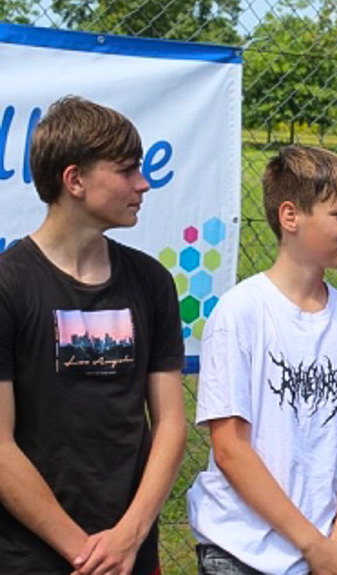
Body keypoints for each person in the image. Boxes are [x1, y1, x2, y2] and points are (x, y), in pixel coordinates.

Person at [0, 96, 187, 574]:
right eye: (126, 170)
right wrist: (85, 553)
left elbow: (169, 424)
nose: (142, 184)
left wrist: (130, 536)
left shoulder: (151, 281)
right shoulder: (9, 286)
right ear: (75, 180)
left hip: (130, 548)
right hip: (33, 555)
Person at [187, 145, 337, 575]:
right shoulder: (240, 313)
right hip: (238, 552)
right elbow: (230, 447)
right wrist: (311, 544)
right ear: (290, 216)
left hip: (325, 555)